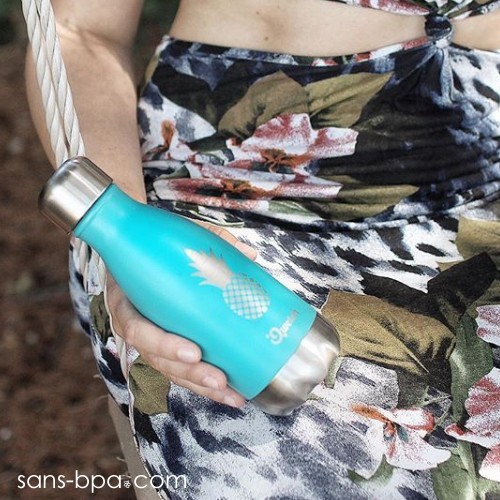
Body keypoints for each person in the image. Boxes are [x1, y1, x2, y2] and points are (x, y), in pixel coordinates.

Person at [26, 0, 500, 498]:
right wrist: (123, 236)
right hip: (240, 185)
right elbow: (80, 30)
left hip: (486, 178)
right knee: (280, 460)